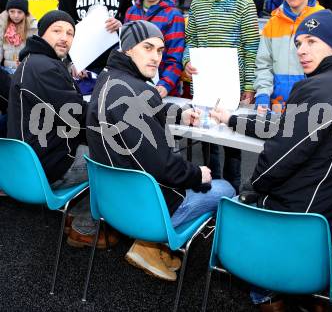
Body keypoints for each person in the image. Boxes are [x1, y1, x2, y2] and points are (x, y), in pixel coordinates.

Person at [211, 10, 332, 311]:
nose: (302, 50)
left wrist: (250, 190)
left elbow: (274, 162)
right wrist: (233, 119)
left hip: (308, 238)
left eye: (311, 41)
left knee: (235, 201)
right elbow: (289, 129)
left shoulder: (316, 89)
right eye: (298, 43)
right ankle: (314, 294)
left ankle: (270, 295)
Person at [86, 20, 235, 281]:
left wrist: (178, 113)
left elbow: (135, 109)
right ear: (129, 48)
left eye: (160, 50)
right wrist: (197, 174)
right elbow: (165, 167)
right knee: (226, 189)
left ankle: (151, 246)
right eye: (148, 48)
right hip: (147, 206)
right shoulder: (140, 89)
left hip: (112, 203)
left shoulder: (107, 79)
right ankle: (154, 243)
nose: (156, 57)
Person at [7, 10, 114, 248]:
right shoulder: (43, 67)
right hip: (46, 165)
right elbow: (76, 115)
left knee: (93, 144)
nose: (64, 37)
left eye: (69, 33)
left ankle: (74, 215)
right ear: (42, 33)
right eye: (57, 31)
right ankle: (83, 228)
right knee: (111, 159)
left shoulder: (34, 62)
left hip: (30, 162)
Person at [183, 0, 259, 193]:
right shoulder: (197, 2)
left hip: (232, 86)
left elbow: (251, 48)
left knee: (232, 143)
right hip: (204, 84)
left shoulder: (245, 3)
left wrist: (248, 87)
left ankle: (232, 195)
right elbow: (190, 39)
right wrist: (186, 61)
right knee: (209, 145)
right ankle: (210, 194)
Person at [254, 0, 324, 114]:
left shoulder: (323, 20)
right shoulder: (273, 23)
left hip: (312, 108)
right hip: (275, 107)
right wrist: (263, 94)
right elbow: (263, 63)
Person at [124, 0, 184, 97]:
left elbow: (175, 58)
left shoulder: (174, 15)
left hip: (161, 89)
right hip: (132, 86)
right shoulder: (130, 12)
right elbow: (125, 51)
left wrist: (165, 84)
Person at [0, 0, 38, 74]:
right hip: (5, 69)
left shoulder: (32, 27)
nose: (16, 15)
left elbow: (34, 50)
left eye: (20, 12)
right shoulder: (2, 24)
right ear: (8, 12)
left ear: (25, 13)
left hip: (24, 69)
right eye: (12, 11)